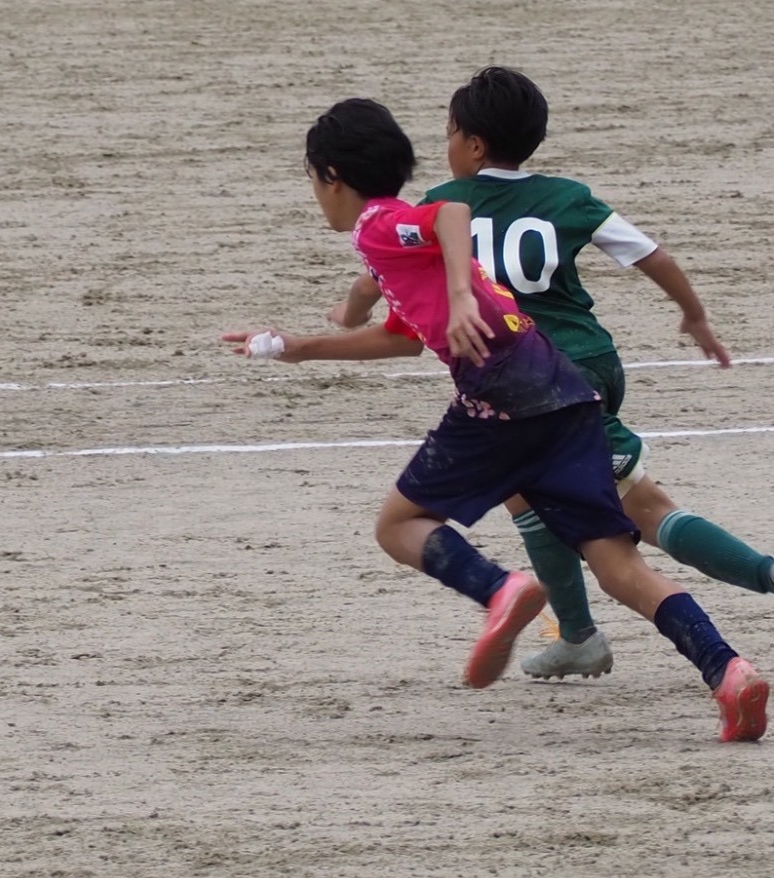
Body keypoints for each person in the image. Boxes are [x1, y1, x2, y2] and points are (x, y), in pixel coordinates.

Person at [223, 97, 767, 742]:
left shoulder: (379, 226)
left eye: (313, 181)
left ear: (333, 176)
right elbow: (401, 337)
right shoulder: (393, 247)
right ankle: (727, 670)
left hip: (502, 392)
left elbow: (451, 215)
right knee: (619, 565)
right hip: (564, 391)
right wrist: (298, 346)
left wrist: (460, 296)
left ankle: (500, 590)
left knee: (398, 525)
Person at [329, 67, 774, 681]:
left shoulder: (439, 202)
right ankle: (577, 634)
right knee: (532, 491)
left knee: (643, 509)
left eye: (452, 132)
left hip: (539, 374)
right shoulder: (566, 196)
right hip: (591, 360)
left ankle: (753, 581)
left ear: (474, 144)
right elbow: (652, 254)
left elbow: (377, 277)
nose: (448, 143)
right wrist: (693, 315)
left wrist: (350, 313)